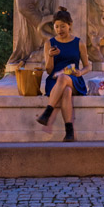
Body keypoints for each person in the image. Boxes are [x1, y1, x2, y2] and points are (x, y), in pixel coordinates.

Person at [35, 8, 90, 141]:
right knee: (66, 91)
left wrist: (80, 72)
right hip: (55, 81)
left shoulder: (79, 42)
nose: (60, 29)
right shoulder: (50, 43)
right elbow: (48, 70)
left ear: (69, 25)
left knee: (64, 78)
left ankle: (48, 112)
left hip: (74, 79)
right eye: (57, 26)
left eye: (63, 26)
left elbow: (88, 66)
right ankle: (69, 132)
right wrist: (50, 57)